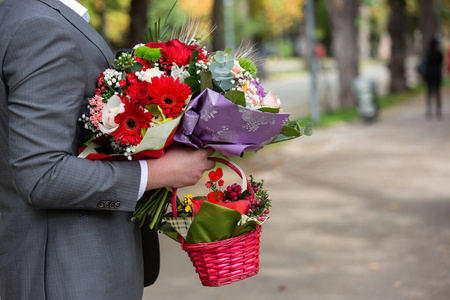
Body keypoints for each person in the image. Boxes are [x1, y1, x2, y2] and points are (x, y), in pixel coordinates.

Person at [0, 0, 215, 299]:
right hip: (69, 275)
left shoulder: (19, 15)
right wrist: (156, 173)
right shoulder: (40, 27)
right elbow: (41, 175)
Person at [423, 38, 443, 118]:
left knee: (429, 92)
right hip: (437, 74)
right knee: (437, 92)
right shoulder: (439, 54)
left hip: (429, 75)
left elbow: (426, 63)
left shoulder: (428, 53)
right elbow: (440, 63)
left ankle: (429, 109)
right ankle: (438, 109)